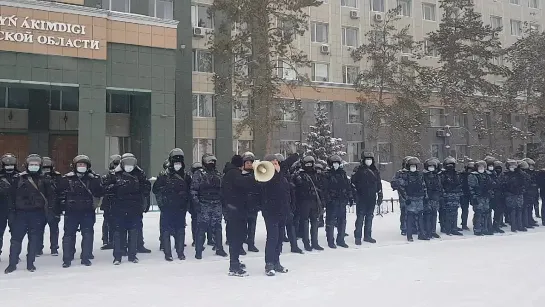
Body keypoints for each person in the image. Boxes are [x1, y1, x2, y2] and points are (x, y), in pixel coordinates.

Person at [5, 154, 55, 274]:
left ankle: (30, 263)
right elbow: (11, 196)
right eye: (31, 164)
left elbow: (51, 196)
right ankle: (12, 263)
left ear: (40, 166)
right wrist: (11, 212)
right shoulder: (18, 178)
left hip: (37, 213)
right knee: (16, 240)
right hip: (20, 214)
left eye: (36, 164)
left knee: (34, 239)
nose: (34, 166)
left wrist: (50, 212)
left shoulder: (45, 179)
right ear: (27, 165)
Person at [103, 153, 151, 265]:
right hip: (118, 209)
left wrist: (139, 189)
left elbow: (146, 187)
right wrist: (117, 187)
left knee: (133, 233)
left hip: (134, 208)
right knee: (118, 233)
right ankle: (118, 256)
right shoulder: (114, 174)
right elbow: (105, 188)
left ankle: (132, 255)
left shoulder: (139, 174)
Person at [58, 155, 102, 267]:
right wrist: (63, 205)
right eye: (79, 164)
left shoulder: (93, 179)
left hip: (87, 211)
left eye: (84, 165)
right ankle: (67, 258)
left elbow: (100, 192)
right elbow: (59, 194)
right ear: (74, 166)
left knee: (87, 234)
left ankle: (86, 257)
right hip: (71, 211)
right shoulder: (67, 179)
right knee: (68, 235)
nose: (81, 167)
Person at [153, 149, 191, 261]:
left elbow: (190, 190)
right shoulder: (164, 175)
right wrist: (162, 203)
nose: (177, 164)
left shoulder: (186, 175)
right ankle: (167, 253)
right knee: (166, 231)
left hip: (180, 208)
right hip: (167, 208)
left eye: (179, 162)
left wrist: (186, 200)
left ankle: (180, 252)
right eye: (175, 162)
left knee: (180, 230)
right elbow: (156, 189)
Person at [222, 154, 255, 276]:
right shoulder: (234, 174)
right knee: (236, 238)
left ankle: (235, 262)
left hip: (235, 209)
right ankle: (234, 266)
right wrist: (253, 177)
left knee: (238, 237)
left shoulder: (230, 173)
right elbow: (244, 184)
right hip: (235, 211)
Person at [191, 154, 228, 259]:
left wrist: (223, 202)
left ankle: (219, 248)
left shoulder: (218, 174)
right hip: (204, 204)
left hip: (216, 204)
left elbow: (222, 189)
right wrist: (196, 203)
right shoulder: (199, 174)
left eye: (213, 162)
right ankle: (198, 250)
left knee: (217, 227)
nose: (211, 164)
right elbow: (194, 190)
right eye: (209, 162)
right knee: (201, 228)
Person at [260, 154, 290, 276]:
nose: (275, 164)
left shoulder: (281, 176)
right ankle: (269, 263)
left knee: (279, 238)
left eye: (276, 162)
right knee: (273, 237)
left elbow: (286, 192)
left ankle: (276, 261)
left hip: (282, 211)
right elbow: (270, 189)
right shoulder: (265, 177)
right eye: (272, 163)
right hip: (271, 212)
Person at [292, 155, 324, 251]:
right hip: (304, 202)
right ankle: (306, 243)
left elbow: (321, 188)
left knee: (315, 223)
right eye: (307, 164)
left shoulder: (317, 174)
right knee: (305, 223)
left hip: (314, 201)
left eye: (311, 164)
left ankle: (315, 242)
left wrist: (322, 201)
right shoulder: (299, 175)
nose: (309, 166)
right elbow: (296, 189)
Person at [351, 152, 382, 244]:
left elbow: (378, 184)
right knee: (360, 218)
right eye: (367, 159)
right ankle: (358, 236)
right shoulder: (358, 170)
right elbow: (352, 184)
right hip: (361, 197)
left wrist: (380, 195)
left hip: (371, 197)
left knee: (369, 217)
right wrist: (355, 195)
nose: (369, 161)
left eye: (370, 159)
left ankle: (367, 236)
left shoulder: (375, 171)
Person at [323, 154, 352, 248]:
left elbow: (348, 186)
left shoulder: (342, 174)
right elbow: (324, 188)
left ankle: (340, 239)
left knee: (342, 221)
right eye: (334, 163)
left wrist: (350, 196)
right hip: (332, 202)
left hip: (342, 201)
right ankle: (330, 241)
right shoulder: (327, 174)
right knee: (330, 222)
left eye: (337, 163)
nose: (335, 165)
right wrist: (328, 198)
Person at [277, 153, 303, 254]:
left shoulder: (285, 171)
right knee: (284, 225)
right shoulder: (280, 171)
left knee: (289, 224)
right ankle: (287, 246)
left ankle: (293, 245)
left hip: (287, 200)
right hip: (282, 202)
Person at [398, 157, 428, 242]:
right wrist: (405, 198)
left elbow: (423, 186)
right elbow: (402, 188)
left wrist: (425, 196)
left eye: (415, 166)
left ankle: (421, 234)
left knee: (420, 217)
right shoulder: (405, 175)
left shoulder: (420, 175)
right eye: (411, 166)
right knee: (410, 218)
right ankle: (409, 235)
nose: (413, 168)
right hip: (410, 199)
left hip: (419, 198)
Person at [37, 157, 62, 257]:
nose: (46, 170)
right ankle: (38, 248)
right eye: (44, 168)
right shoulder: (37, 176)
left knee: (54, 228)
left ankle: (54, 248)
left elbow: (60, 190)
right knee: (38, 229)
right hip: (40, 207)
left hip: (54, 206)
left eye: (48, 168)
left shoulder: (57, 176)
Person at [240, 152, 260, 253]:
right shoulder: (239, 175)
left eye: (251, 162)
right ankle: (241, 245)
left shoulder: (256, 175)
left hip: (253, 204)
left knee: (252, 226)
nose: (249, 164)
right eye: (247, 162)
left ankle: (251, 244)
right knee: (242, 226)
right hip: (243, 204)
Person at [100, 154, 121, 250]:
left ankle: (113, 240)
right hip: (109, 202)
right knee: (108, 221)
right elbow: (104, 187)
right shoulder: (107, 176)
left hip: (118, 202)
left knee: (115, 222)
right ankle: (107, 240)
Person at [468, 160, 493, 236]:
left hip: (486, 197)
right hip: (478, 197)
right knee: (478, 213)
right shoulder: (473, 175)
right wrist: (474, 196)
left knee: (486, 213)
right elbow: (471, 187)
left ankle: (485, 228)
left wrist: (490, 193)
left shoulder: (487, 175)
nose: (481, 169)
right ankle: (477, 229)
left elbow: (491, 185)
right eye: (480, 167)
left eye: (483, 167)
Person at [0, 153, 18, 258]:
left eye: (11, 164)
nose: (9, 166)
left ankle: (15, 254)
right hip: (1, 208)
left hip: (15, 209)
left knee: (16, 234)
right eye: (7, 164)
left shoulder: (20, 176)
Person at [500, 160, 526, 233]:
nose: (513, 168)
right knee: (512, 210)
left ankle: (520, 225)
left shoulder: (519, 173)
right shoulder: (505, 174)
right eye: (511, 166)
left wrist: (519, 171)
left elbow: (526, 178)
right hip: (510, 194)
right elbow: (502, 183)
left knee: (519, 209)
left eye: (514, 166)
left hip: (519, 193)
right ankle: (513, 226)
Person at [440, 157, 463, 236]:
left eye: (452, 165)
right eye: (448, 165)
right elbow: (441, 186)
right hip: (447, 195)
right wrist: (444, 194)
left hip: (455, 195)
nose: (450, 167)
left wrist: (459, 193)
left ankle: (454, 228)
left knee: (455, 212)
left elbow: (460, 184)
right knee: (447, 213)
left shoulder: (456, 174)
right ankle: (447, 228)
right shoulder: (442, 174)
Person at [392, 156, 412, 236]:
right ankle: (404, 228)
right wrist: (399, 184)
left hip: (413, 195)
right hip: (403, 195)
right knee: (404, 212)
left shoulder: (414, 172)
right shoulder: (400, 173)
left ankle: (412, 227)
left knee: (412, 212)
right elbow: (393, 182)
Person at [423, 158, 442, 239]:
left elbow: (440, 186)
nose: (431, 168)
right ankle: (427, 231)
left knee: (434, 214)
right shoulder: (424, 175)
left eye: (433, 166)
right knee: (427, 215)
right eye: (430, 166)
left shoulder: (437, 175)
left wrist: (440, 195)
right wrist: (426, 196)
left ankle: (433, 231)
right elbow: (423, 187)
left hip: (435, 197)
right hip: (427, 198)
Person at [518, 160, 538, 229]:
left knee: (529, 208)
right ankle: (525, 222)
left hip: (530, 192)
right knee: (525, 208)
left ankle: (528, 220)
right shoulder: (524, 173)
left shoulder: (529, 173)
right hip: (526, 192)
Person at [522, 158, 540, 225]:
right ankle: (527, 220)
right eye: (530, 165)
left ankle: (530, 219)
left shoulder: (534, 172)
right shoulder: (526, 173)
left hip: (534, 192)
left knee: (531, 207)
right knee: (527, 207)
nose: (531, 167)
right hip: (527, 192)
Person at [157, 159, 169, 252]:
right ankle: (163, 243)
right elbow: (156, 190)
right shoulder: (162, 175)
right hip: (165, 204)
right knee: (164, 226)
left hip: (173, 204)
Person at [460, 161, 475, 231]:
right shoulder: (462, 175)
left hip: (472, 194)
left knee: (477, 209)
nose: (470, 171)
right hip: (464, 194)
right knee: (465, 210)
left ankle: (476, 222)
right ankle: (464, 224)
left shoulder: (474, 175)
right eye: (469, 169)